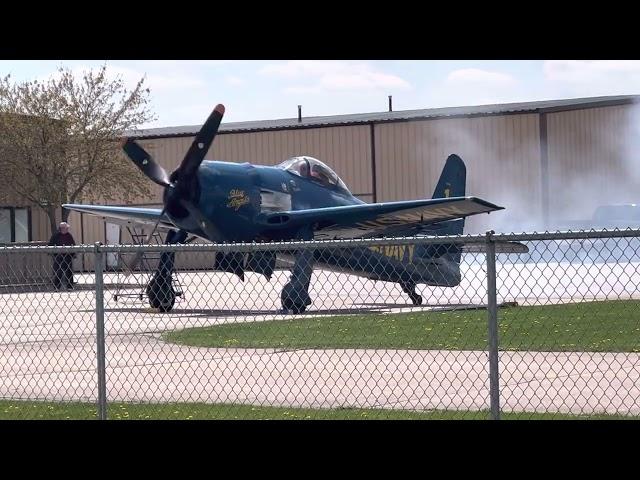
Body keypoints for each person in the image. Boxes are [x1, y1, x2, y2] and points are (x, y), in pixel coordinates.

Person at [48, 222, 76, 290]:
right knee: (58, 272)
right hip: (58, 257)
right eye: (66, 228)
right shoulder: (55, 236)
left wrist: (73, 254)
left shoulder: (69, 235)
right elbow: (50, 245)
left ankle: (70, 287)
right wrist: (53, 253)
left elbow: (73, 245)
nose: (67, 229)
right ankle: (56, 287)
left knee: (69, 272)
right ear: (62, 229)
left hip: (67, 256)